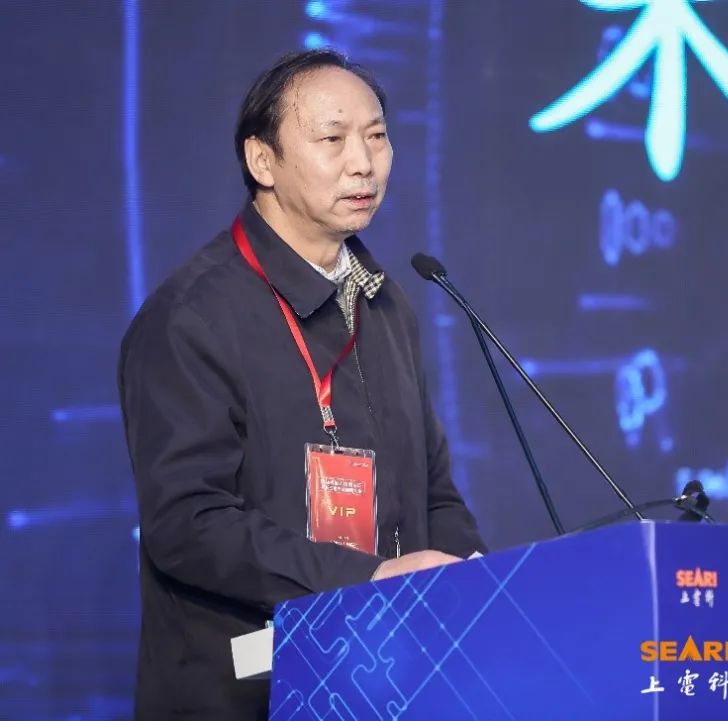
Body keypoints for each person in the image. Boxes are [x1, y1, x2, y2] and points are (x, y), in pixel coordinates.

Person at [117, 49, 486, 720]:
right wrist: (367, 579)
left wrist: (474, 584)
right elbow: (187, 524)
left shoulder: (386, 304)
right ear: (263, 161)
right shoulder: (193, 315)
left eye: (377, 136)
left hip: (390, 687)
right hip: (248, 692)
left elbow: (432, 490)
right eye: (332, 138)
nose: (363, 162)